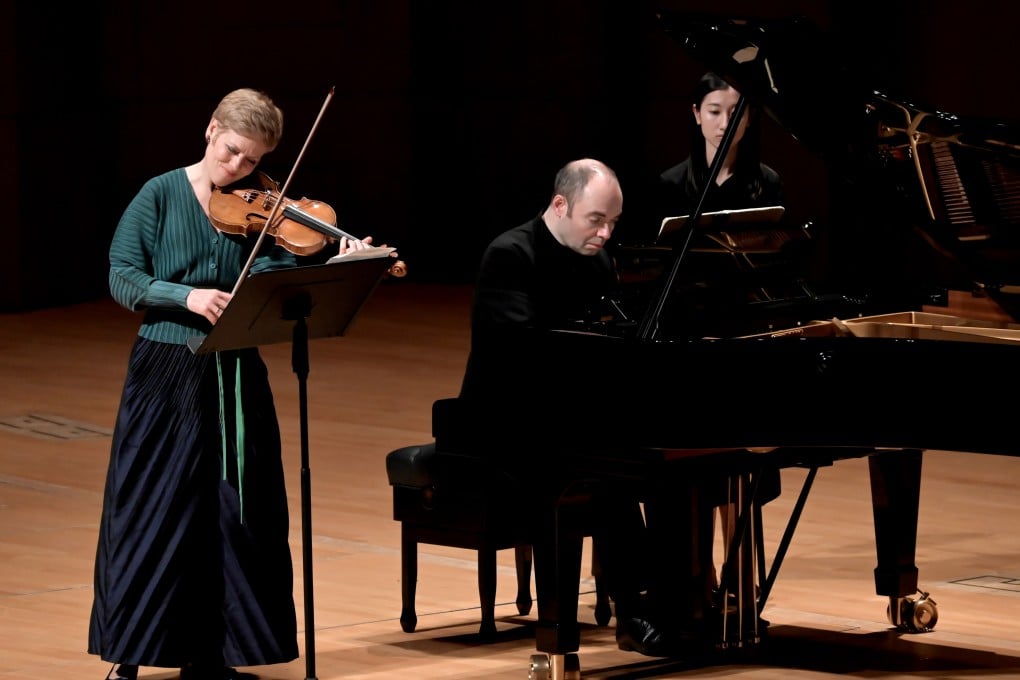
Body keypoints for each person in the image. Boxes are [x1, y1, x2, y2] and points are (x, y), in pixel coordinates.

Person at [88, 88, 381, 680]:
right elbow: (123, 276)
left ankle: (220, 652)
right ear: (210, 129)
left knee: (239, 511)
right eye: (232, 152)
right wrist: (186, 294)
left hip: (235, 369)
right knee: (154, 505)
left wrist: (336, 261)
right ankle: (130, 654)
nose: (240, 170)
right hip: (166, 370)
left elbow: (271, 269)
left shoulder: (258, 205)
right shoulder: (160, 193)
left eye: (251, 161)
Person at [458, 158, 685, 657]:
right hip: (501, 420)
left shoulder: (595, 259)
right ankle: (628, 615)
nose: (605, 233)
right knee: (604, 481)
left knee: (662, 471)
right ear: (560, 205)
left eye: (613, 222)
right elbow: (521, 353)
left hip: (567, 414)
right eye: (596, 219)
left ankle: (670, 604)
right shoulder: (510, 254)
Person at [650, 71, 785, 636]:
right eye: (713, 110)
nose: (724, 122)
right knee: (693, 468)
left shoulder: (765, 184)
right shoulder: (671, 184)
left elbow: (778, 265)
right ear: (695, 114)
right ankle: (695, 585)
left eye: (735, 111)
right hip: (686, 343)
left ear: (748, 118)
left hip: (743, 339)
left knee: (743, 469)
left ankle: (740, 585)